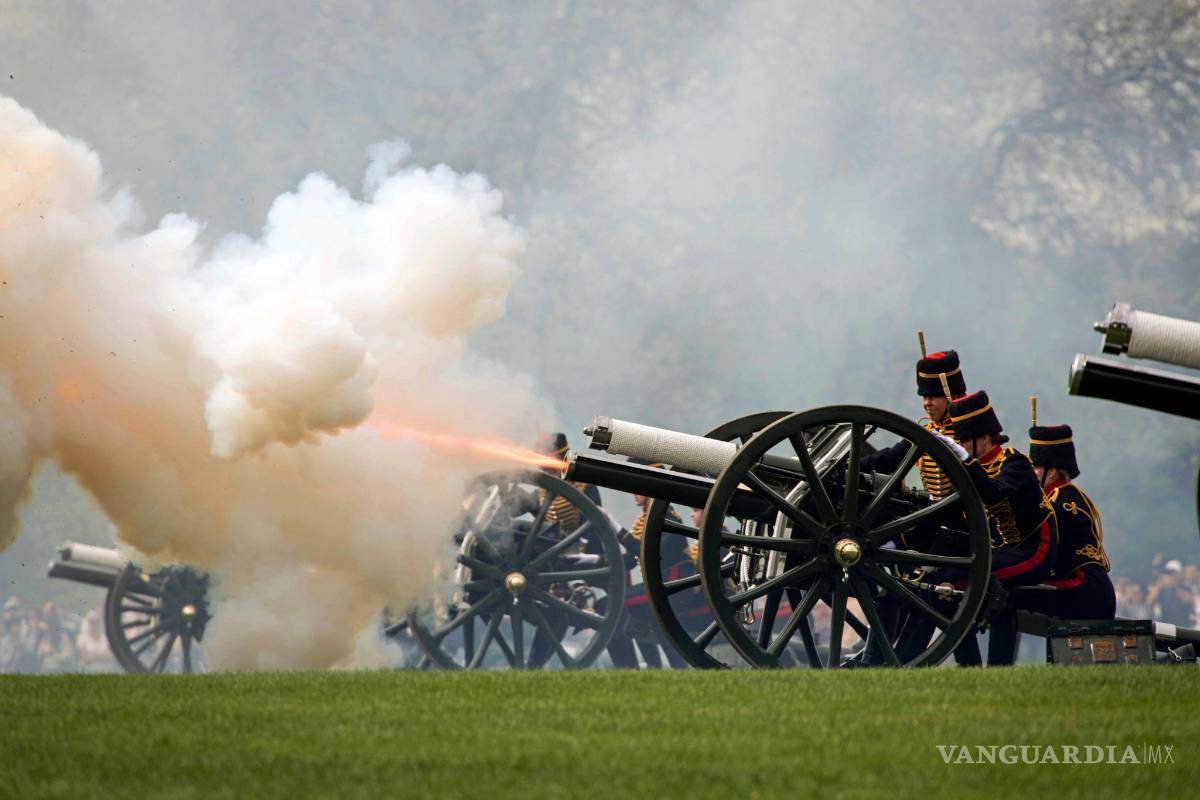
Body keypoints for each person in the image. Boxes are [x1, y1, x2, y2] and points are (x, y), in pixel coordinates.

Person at [932, 391, 1058, 665]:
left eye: (964, 440)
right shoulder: (974, 468)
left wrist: (965, 461)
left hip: (1033, 551)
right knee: (938, 583)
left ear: (985, 437)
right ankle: (972, 666)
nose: (961, 445)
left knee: (950, 585)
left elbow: (994, 492)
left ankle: (987, 666)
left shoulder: (1015, 462)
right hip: (1003, 552)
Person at [1008, 424, 1115, 621]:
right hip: (1092, 590)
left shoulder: (1058, 502)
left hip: (1084, 588)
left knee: (1007, 593)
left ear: (1051, 472)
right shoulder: (1068, 494)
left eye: (1035, 467)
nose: (1031, 473)